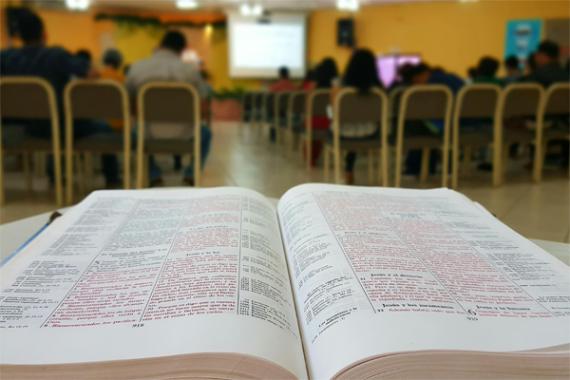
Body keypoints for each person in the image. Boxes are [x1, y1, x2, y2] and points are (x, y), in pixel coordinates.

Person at [0, 10, 120, 187]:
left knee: (53, 119)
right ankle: (112, 179)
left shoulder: (6, 57)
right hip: (58, 125)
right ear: (44, 34)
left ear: (19, 35)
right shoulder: (55, 55)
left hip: (22, 127)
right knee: (98, 124)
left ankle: (55, 177)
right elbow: (92, 73)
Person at [126, 30, 212, 186]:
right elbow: (203, 107)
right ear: (182, 49)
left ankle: (153, 175)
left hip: (147, 133)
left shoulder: (137, 67)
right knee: (205, 134)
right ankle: (190, 175)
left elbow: (128, 104)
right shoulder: (191, 71)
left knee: (135, 131)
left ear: (160, 45)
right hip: (186, 134)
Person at [337, 48, 383, 184]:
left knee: (349, 127)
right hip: (371, 133)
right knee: (361, 127)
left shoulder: (342, 90)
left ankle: (348, 170)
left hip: (343, 134)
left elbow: (334, 114)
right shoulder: (379, 92)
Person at [306, 57, 339, 166]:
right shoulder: (337, 88)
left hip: (314, 122)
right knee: (329, 114)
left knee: (312, 119)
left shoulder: (313, 88)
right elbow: (334, 108)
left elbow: (308, 107)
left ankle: (311, 158)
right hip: (331, 121)